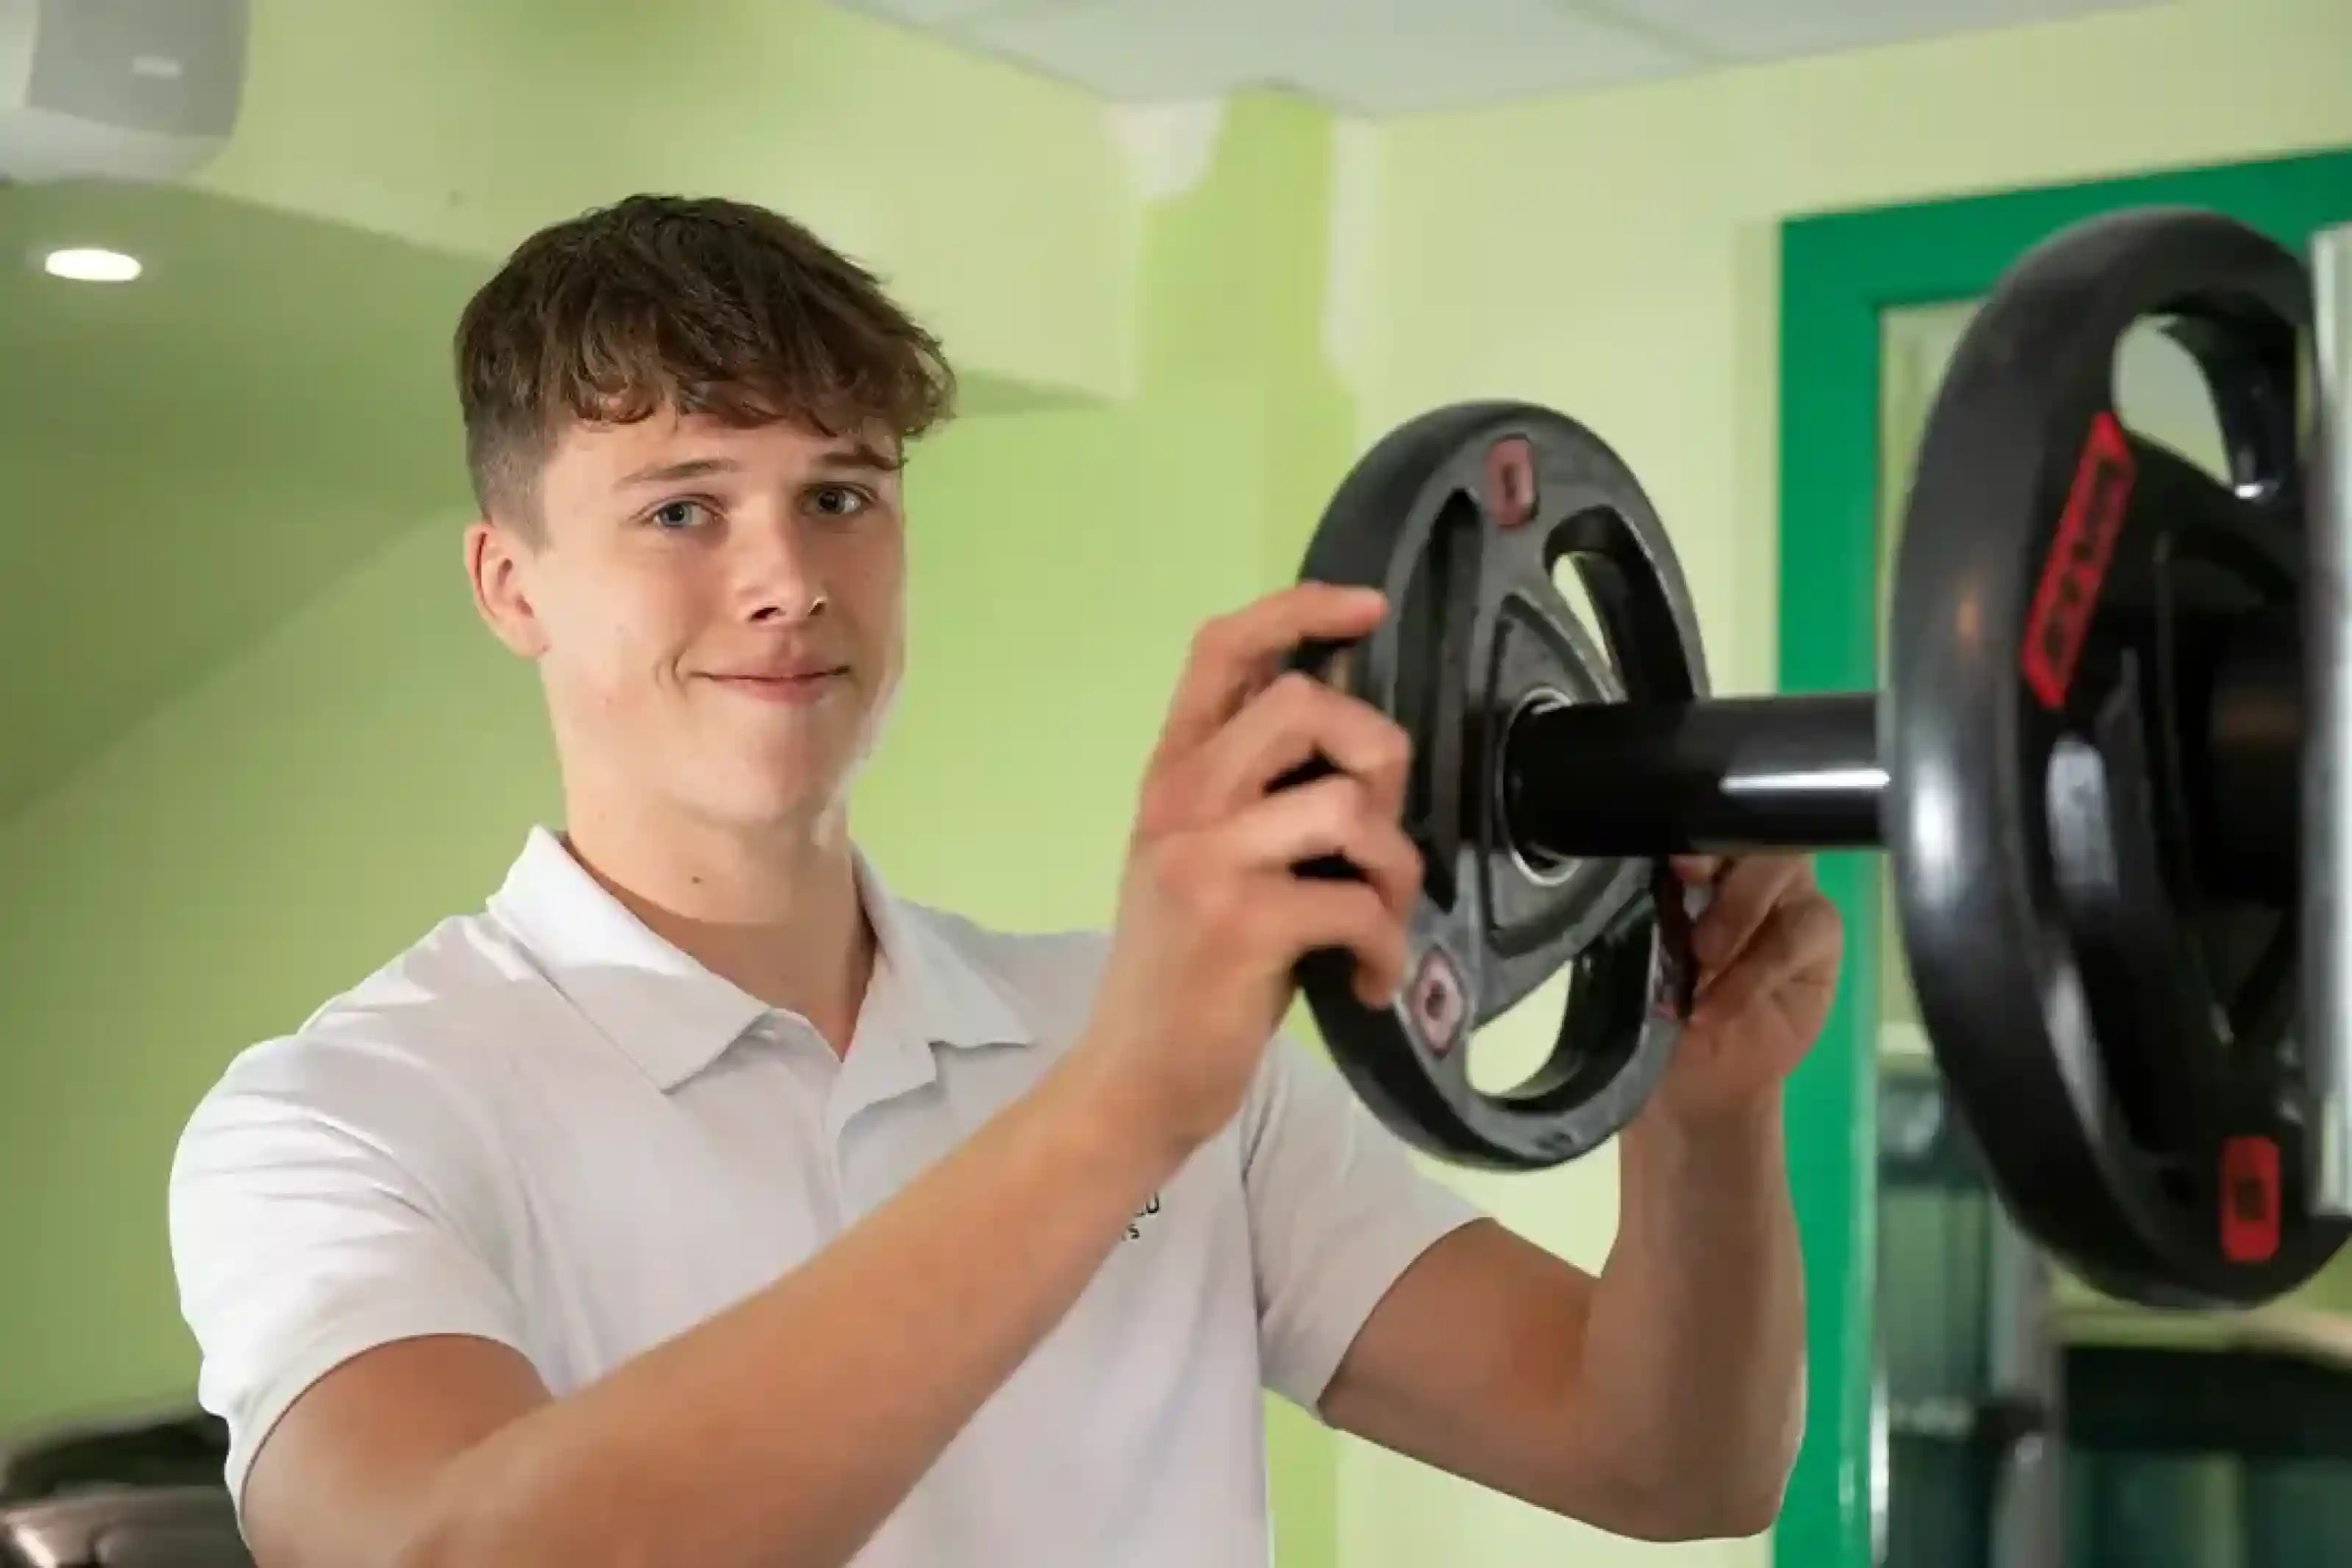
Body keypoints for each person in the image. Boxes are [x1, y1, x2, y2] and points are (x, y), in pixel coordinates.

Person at [167, 193, 1840, 1568]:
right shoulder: (338, 1120)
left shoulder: (1166, 1062)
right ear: (507, 581)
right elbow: (451, 1553)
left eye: (841, 496)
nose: (786, 582)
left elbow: (1669, 1464)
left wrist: (1693, 1113)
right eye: (683, 509)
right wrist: (1119, 1107)